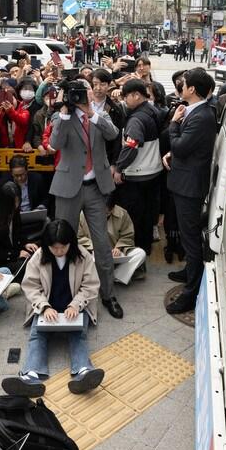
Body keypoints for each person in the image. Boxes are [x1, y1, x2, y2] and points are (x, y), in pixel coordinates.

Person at [2, 219, 104, 398]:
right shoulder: (39, 256)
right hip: (47, 305)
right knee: (37, 334)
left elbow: (90, 286)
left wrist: (75, 304)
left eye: (63, 247)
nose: (58, 251)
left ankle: (84, 371)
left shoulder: (83, 255)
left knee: (77, 334)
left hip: (76, 305)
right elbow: (31, 286)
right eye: (54, 247)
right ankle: (31, 376)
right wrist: (44, 306)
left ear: (70, 243)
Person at [48, 78, 122, 318]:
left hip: (95, 188)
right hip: (68, 186)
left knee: (101, 243)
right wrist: (66, 113)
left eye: (87, 90)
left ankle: (108, 294)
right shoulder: (62, 116)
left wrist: (92, 113)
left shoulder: (101, 114)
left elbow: (113, 135)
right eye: (79, 92)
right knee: (63, 241)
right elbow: (55, 143)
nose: (84, 95)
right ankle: (64, 293)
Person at [164, 67, 219, 314]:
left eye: (183, 83)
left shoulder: (201, 116)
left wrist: (174, 125)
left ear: (192, 89)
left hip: (190, 187)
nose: (180, 87)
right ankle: (189, 272)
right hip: (184, 181)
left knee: (191, 238)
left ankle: (191, 292)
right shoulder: (196, 112)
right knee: (189, 236)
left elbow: (181, 147)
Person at [112, 78, 163, 260]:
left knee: (134, 217)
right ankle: (146, 247)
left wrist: (119, 168)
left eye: (126, 97)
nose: (125, 101)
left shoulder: (136, 120)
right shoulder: (153, 111)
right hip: (154, 172)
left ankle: (135, 253)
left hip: (137, 174)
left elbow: (131, 146)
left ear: (136, 95)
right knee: (148, 214)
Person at [78, 191, 144, 285]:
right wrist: (94, 247)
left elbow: (128, 235)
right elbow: (79, 238)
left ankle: (115, 276)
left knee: (140, 254)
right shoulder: (83, 214)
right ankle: (100, 278)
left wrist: (119, 247)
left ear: (113, 208)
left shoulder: (122, 214)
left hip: (115, 252)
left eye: (107, 212)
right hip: (94, 252)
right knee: (83, 256)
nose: (104, 215)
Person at [0, 180, 39, 271]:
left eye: (18, 201)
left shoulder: (13, 211)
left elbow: (18, 232)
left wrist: (25, 243)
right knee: (28, 266)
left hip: (14, 251)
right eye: (13, 202)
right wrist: (16, 254)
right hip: (0, 260)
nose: (17, 205)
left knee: (37, 253)